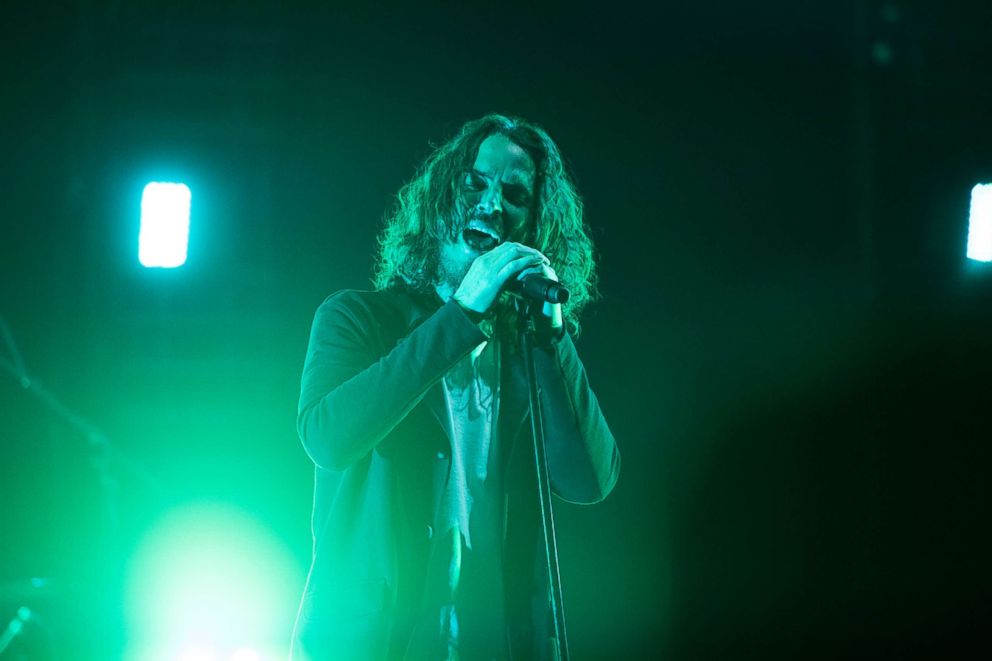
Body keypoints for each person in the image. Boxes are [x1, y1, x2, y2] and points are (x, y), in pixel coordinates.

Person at [290, 114, 620, 660]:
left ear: (532, 225)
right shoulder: (358, 319)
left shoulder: (528, 355)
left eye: (515, 194)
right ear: (442, 196)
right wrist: (463, 311)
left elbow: (590, 479)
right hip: (378, 643)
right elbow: (328, 439)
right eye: (476, 182)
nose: (492, 203)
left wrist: (552, 336)